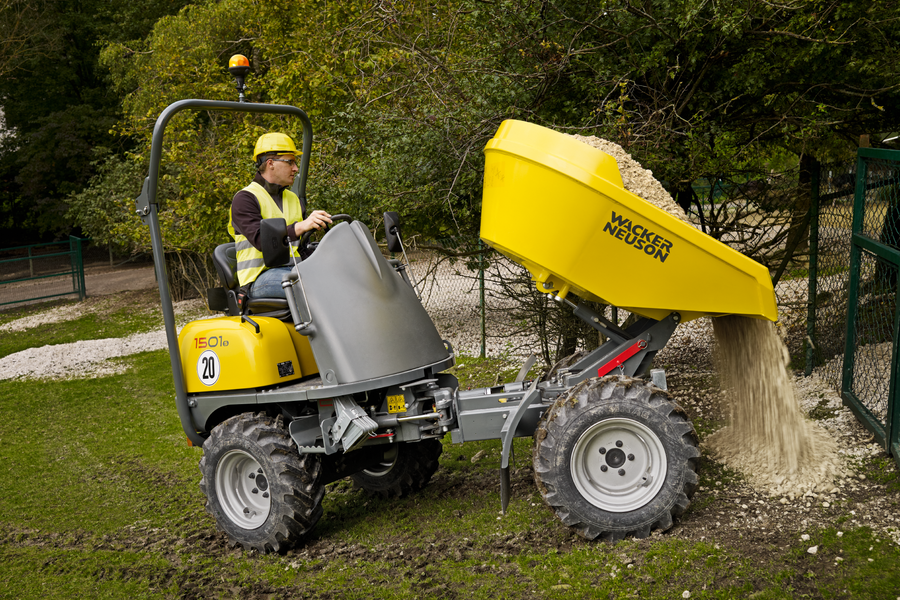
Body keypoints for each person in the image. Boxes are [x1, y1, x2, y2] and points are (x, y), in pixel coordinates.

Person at [229, 132, 332, 299]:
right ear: (271, 163)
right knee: (309, 285)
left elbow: (301, 248)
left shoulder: (293, 199)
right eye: (290, 162)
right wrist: (301, 226)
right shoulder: (245, 198)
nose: (295, 168)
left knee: (338, 276)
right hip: (260, 278)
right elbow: (262, 241)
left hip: (294, 270)